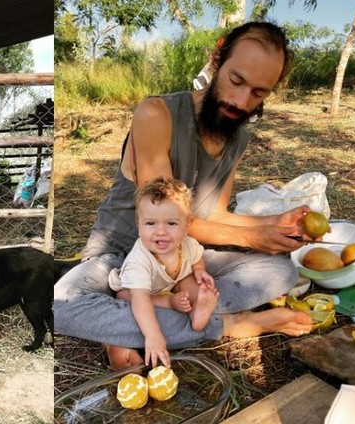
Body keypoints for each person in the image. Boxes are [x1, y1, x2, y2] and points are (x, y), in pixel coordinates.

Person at [54, 21, 314, 371]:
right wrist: (254, 235)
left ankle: (135, 318)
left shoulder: (238, 139)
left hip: (184, 263)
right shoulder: (156, 114)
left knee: (280, 270)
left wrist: (275, 225)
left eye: (258, 93)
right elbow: (170, 218)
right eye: (236, 81)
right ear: (217, 59)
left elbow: (216, 215)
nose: (241, 102)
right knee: (62, 304)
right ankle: (229, 325)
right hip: (120, 256)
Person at [109, 176, 219, 368]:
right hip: (138, 292)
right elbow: (141, 299)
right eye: (150, 224)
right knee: (123, 297)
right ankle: (169, 303)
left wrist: (199, 270)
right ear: (138, 224)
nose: (161, 231)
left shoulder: (187, 245)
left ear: (186, 226)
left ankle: (198, 312)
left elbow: (196, 257)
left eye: (171, 224)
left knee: (191, 281)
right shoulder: (138, 261)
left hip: (169, 283)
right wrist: (153, 335)